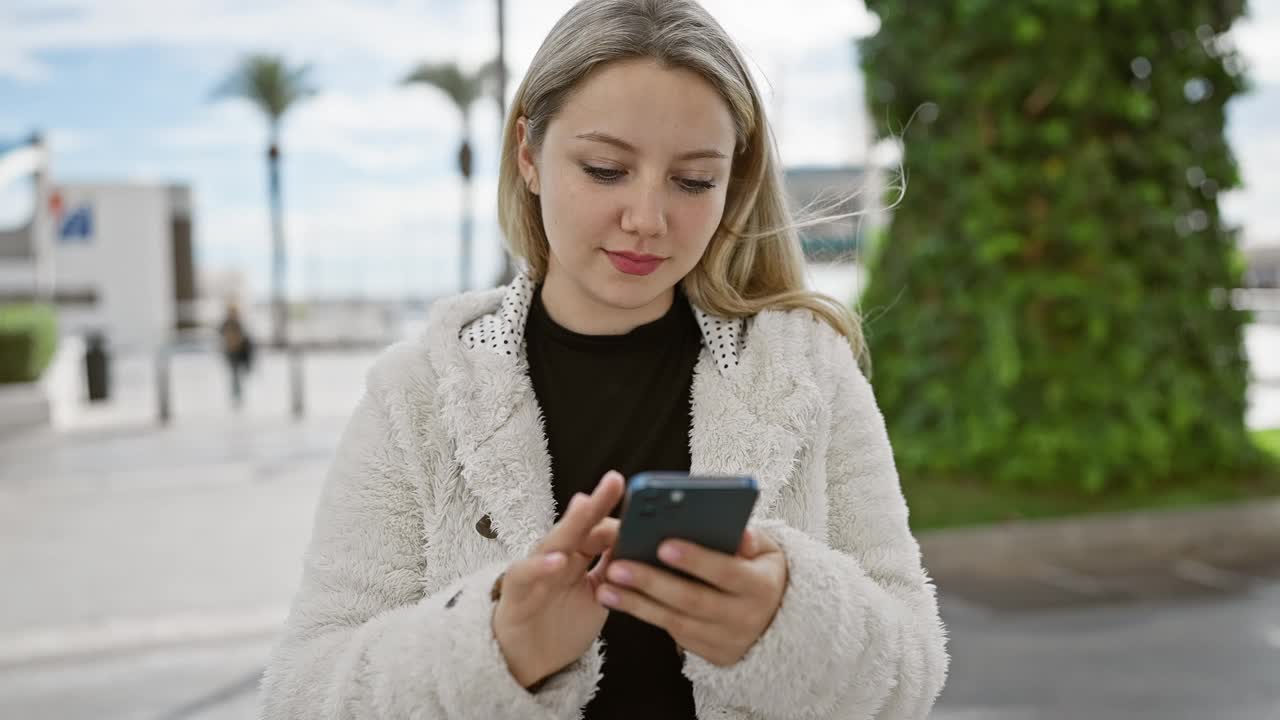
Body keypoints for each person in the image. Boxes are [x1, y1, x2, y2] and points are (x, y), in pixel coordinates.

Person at [260, 1, 948, 717]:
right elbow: (302, 693)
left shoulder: (807, 370)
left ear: (732, 184)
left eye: (693, 181)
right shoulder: (418, 392)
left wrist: (789, 622)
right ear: (527, 154)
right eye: (606, 168)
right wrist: (496, 648)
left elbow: (914, 670)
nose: (648, 219)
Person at [218, 302, 253, 408]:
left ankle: (237, 395)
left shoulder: (238, 323)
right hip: (230, 352)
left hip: (238, 352)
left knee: (236, 375)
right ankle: (235, 395)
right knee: (234, 375)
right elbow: (220, 335)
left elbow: (244, 337)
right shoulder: (226, 323)